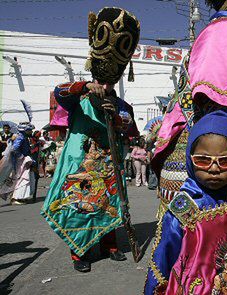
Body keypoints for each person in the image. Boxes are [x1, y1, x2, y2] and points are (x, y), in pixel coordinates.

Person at [41, 7, 140, 273]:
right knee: (78, 208)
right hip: (80, 167)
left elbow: (132, 133)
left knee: (109, 205)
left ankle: (111, 246)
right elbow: (59, 92)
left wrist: (119, 122)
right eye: (102, 82)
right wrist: (84, 86)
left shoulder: (121, 105)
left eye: (111, 83)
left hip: (109, 167)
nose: (106, 87)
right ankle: (79, 253)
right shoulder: (79, 96)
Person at [144, 111, 227, 294]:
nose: (214, 168)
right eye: (203, 160)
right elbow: (161, 260)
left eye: (226, 161)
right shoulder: (185, 208)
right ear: (190, 160)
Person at [9, 122, 35, 205]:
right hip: (21, 161)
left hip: (23, 161)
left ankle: (21, 197)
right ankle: (15, 198)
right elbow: (14, 149)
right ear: (25, 130)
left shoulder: (24, 137)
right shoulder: (20, 137)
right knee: (21, 179)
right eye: (30, 130)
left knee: (24, 178)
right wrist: (22, 157)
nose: (31, 132)